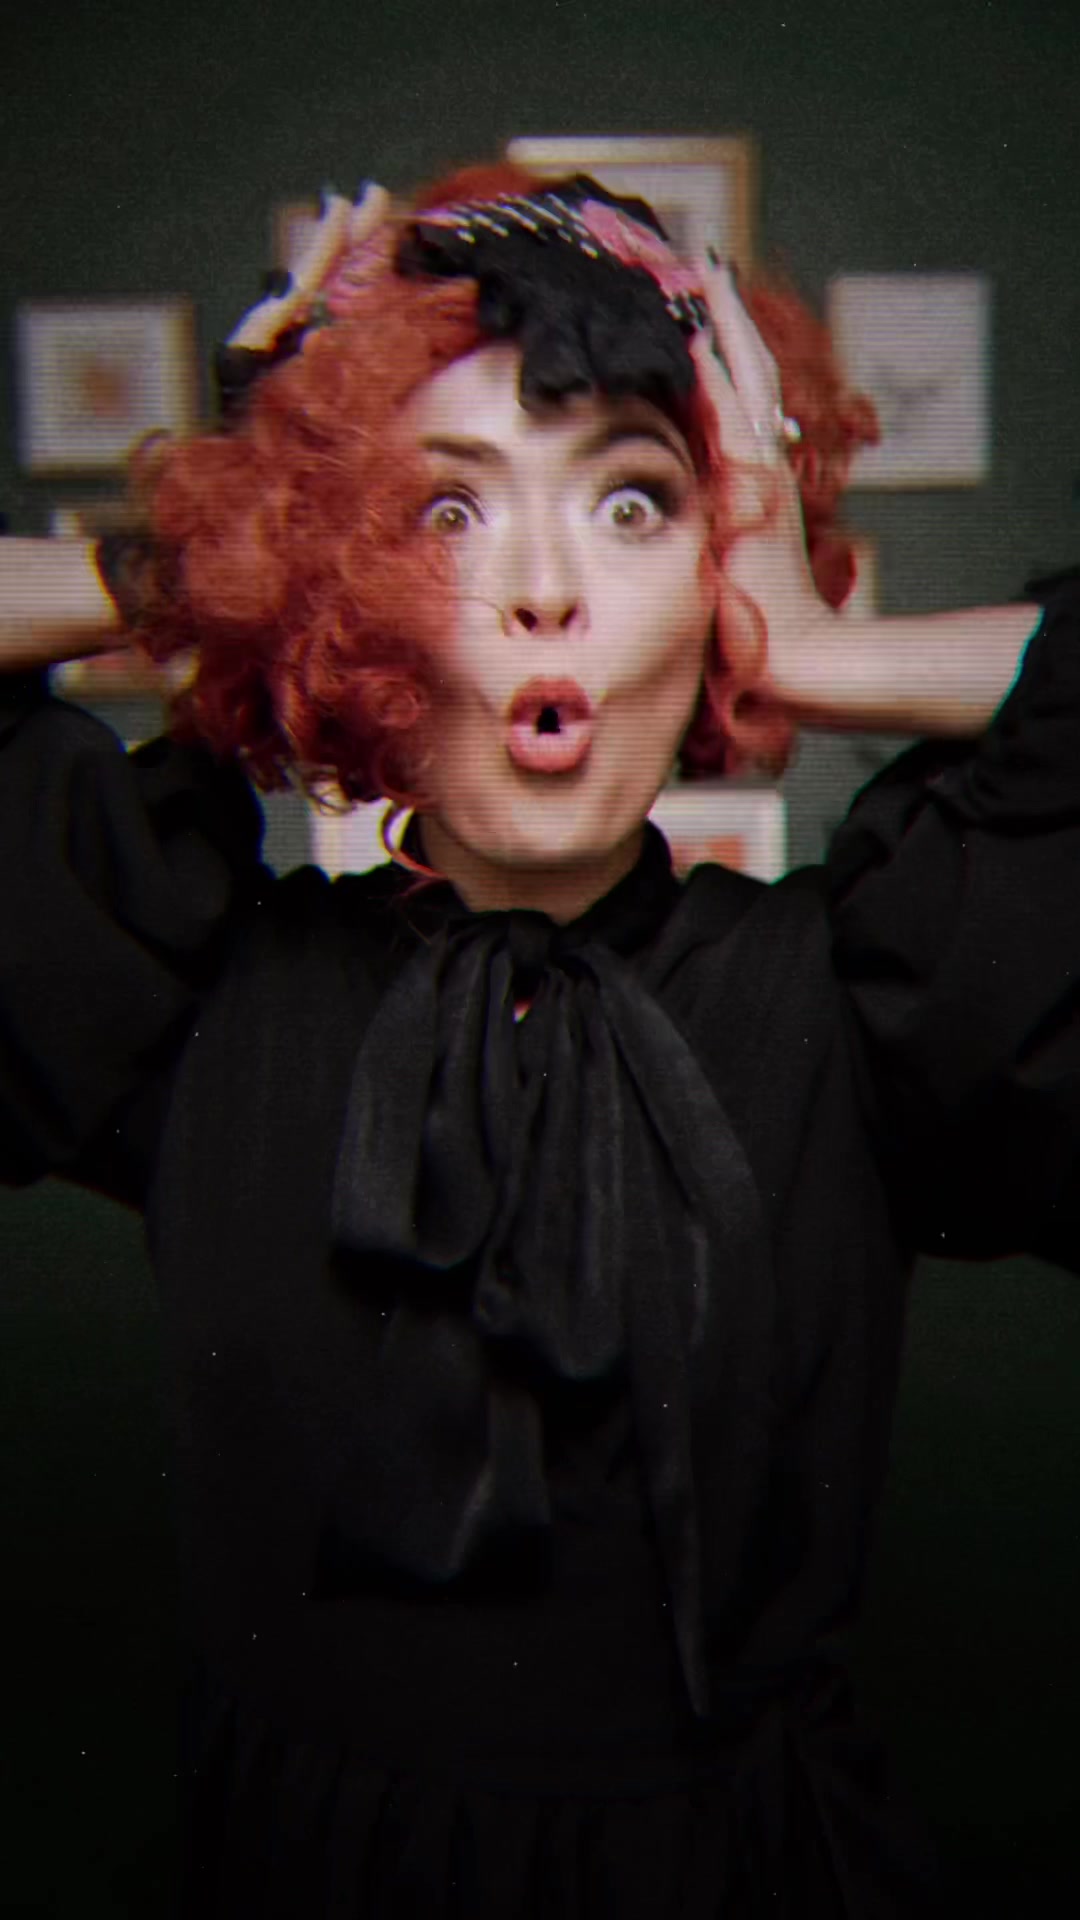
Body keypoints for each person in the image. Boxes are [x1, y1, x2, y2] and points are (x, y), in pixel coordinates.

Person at [2, 161, 1076, 1916]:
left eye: (635, 503)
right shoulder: (185, 987)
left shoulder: (869, 1000)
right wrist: (219, 552)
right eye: (444, 509)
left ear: (720, 576)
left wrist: (814, 647)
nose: (546, 588)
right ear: (342, 586)